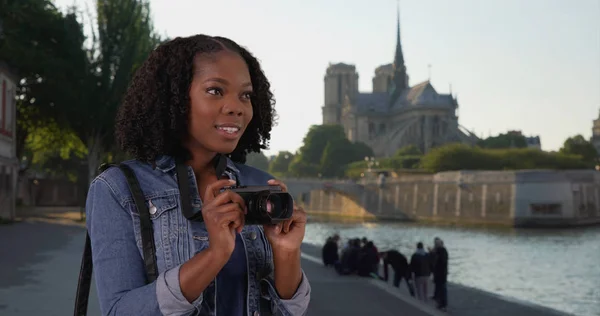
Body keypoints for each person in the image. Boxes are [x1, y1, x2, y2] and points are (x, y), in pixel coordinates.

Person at [86, 35, 310, 316]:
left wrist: (287, 251)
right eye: (216, 90)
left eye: (245, 95)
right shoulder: (117, 188)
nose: (236, 107)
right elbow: (118, 311)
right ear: (175, 98)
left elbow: (287, 312)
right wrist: (214, 256)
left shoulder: (261, 186)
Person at [431, 237, 448, 311]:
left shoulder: (442, 251)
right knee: (439, 288)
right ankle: (440, 303)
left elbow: (441, 262)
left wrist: (434, 254)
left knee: (442, 289)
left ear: (440, 244)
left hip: (441, 274)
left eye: (436, 244)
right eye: (435, 244)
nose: (435, 245)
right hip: (439, 273)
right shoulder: (439, 251)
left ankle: (443, 304)